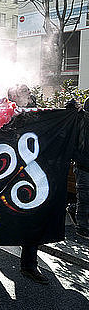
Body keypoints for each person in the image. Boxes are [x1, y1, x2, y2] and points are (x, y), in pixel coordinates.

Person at [0, 84, 48, 284]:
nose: (29, 96)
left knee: (31, 217)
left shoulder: (33, 110)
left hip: (26, 174)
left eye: (29, 94)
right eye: (24, 93)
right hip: (2, 173)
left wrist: (70, 114)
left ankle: (29, 266)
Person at [72, 98, 89, 239]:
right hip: (83, 165)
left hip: (83, 163)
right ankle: (81, 227)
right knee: (84, 197)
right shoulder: (81, 119)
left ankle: (73, 209)